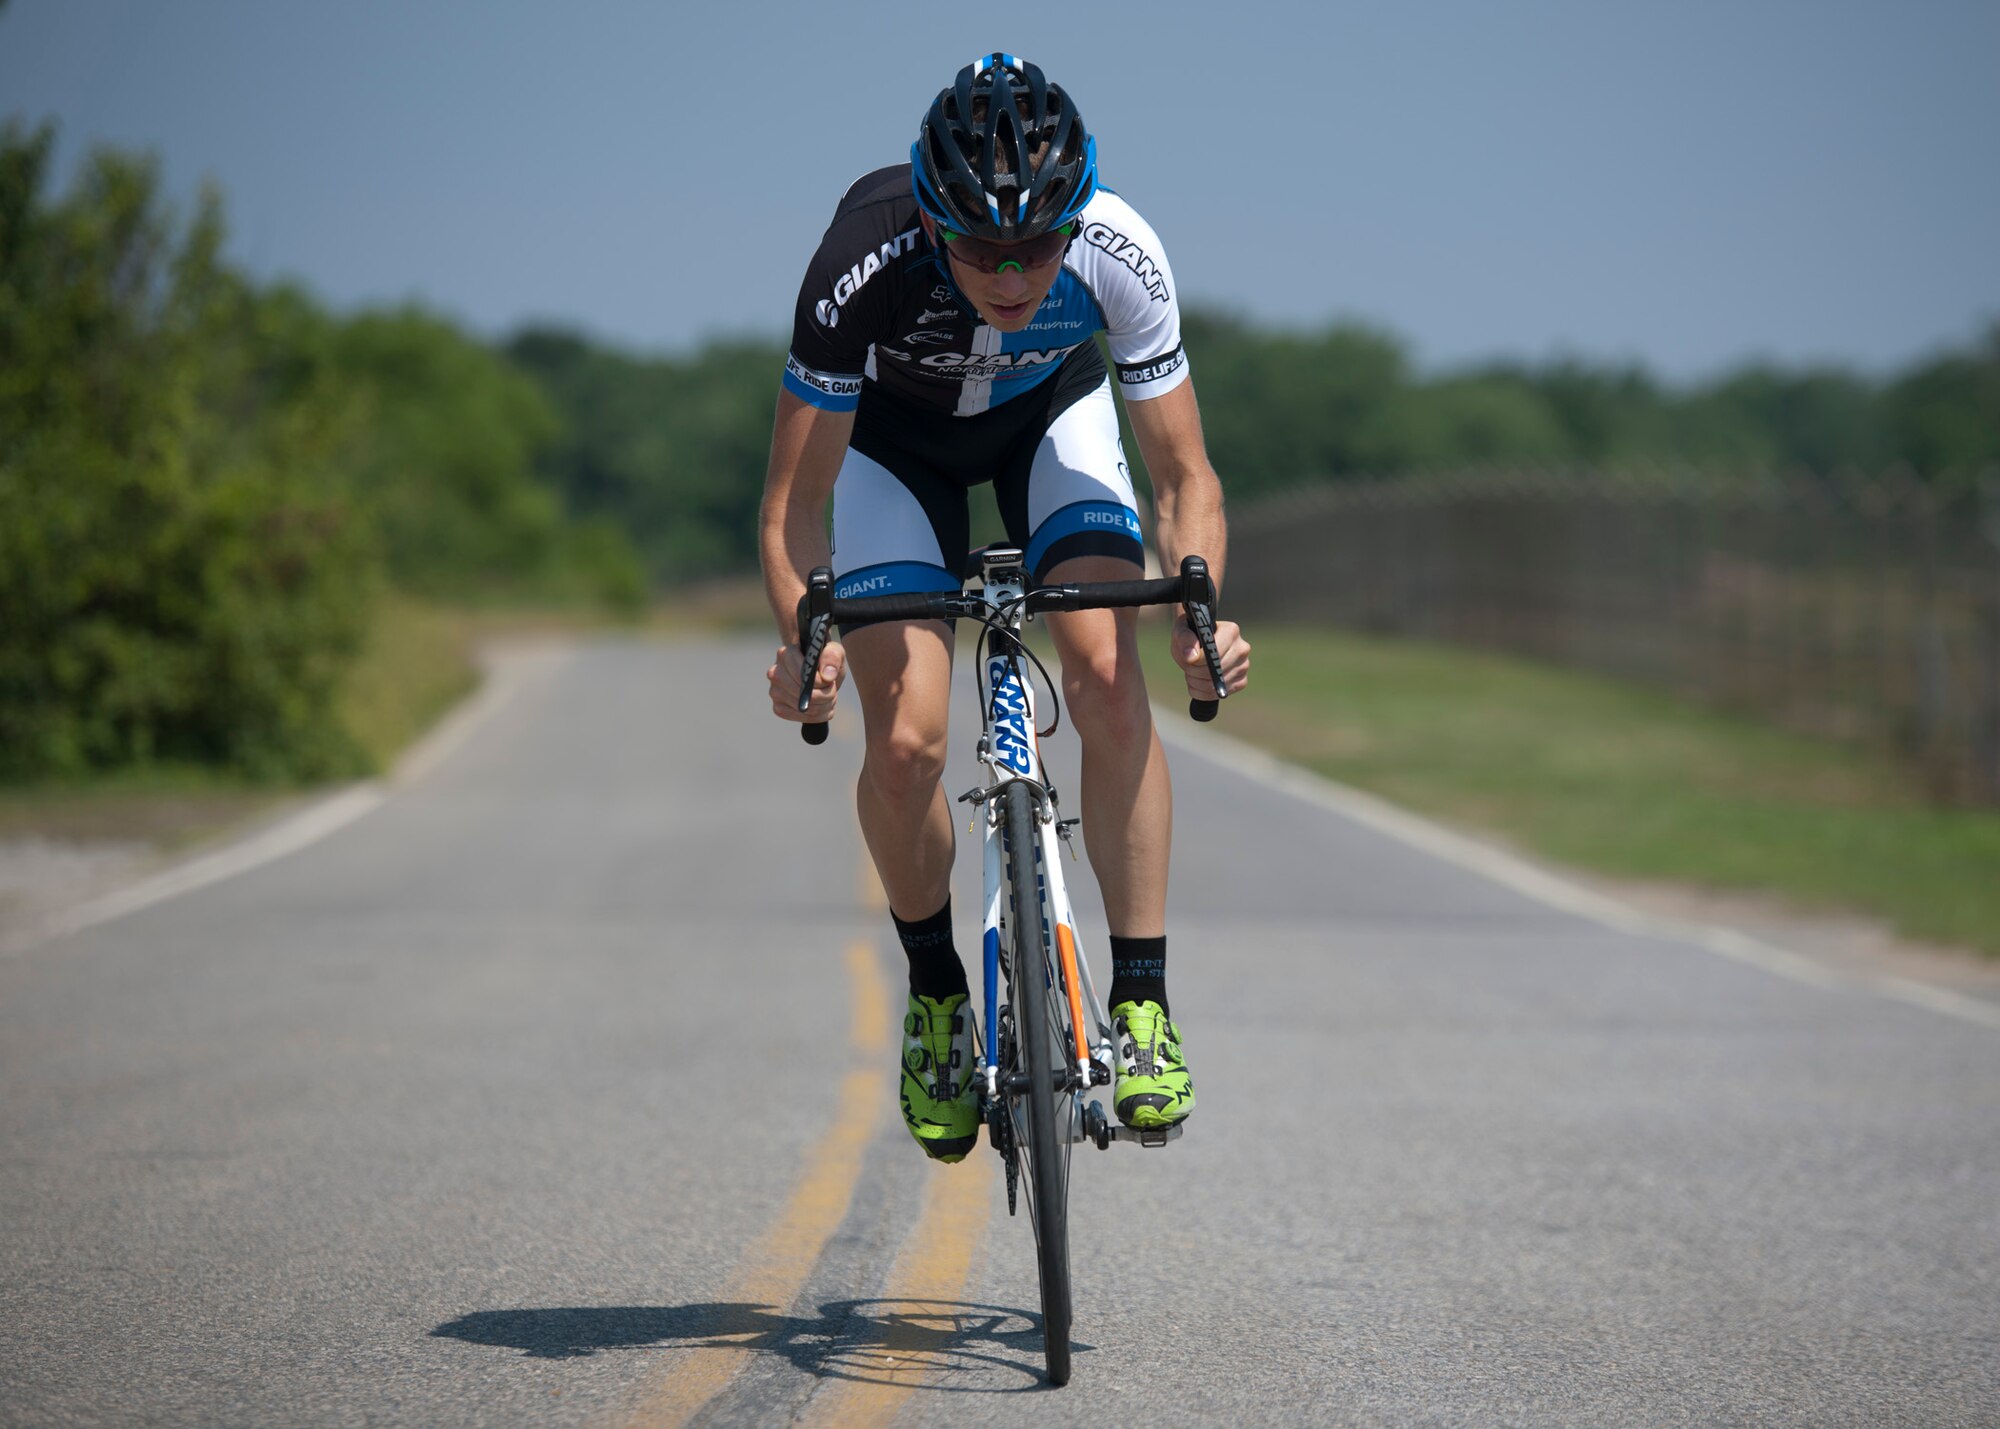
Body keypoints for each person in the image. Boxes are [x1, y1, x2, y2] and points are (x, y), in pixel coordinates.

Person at [761, 54, 1250, 1163]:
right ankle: (937, 995)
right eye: (981, 248)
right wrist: (802, 635)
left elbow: (1184, 482)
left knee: (1107, 676)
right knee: (904, 742)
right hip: (896, 440)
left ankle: (1139, 1002)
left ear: (1076, 219)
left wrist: (1198, 608)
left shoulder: (1120, 250)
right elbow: (789, 511)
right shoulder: (859, 261)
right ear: (932, 225)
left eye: (1038, 244)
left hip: (1047, 420)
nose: (1014, 273)